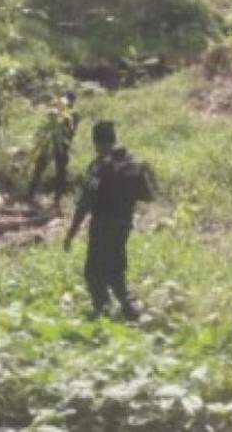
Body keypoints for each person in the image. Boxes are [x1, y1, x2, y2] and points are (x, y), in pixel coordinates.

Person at [64, 121, 154, 320]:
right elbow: (148, 196)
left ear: (97, 142)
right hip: (124, 224)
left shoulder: (98, 166)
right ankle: (130, 309)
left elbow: (84, 203)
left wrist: (71, 234)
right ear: (114, 138)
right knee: (116, 268)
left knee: (93, 272)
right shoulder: (135, 164)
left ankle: (103, 311)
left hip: (102, 224)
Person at [28, 91, 78, 207]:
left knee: (60, 174)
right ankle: (30, 194)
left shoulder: (73, 115)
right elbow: (47, 123)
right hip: (50, 143)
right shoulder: (56, 110)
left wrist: (61, 114)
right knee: (39, 167)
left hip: (62, 146)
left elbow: (70, 132)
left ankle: (57, 200)